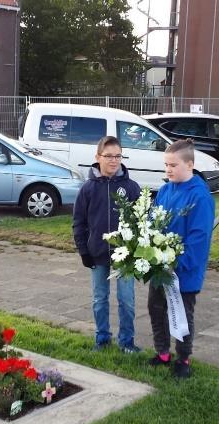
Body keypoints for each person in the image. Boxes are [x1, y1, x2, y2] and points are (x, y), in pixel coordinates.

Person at [147, 138, 215, 378]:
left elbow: (198, 239)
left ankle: (183, 358)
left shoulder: (200, 197)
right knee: (156, 308)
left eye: (173, 165)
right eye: (166, 165)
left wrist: (176, 264)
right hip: (159, 266)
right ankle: (162, 352)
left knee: (182, 315)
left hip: (183, 271)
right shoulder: (165, 190)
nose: (168, 170)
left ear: (189, 164)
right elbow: (153, 222)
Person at [73, 136, 141, 353]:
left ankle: (127, 341)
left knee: (126, 300)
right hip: (97, 254)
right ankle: (102, 339)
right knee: (100, 299)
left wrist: (137, 251)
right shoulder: (88, 189)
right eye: (109, 156)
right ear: (98, 157)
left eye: (118, 156)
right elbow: (78, 223)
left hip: (125, 256)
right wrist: (84, 251)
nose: (114, 161)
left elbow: (141, 222)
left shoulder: (131, 187)